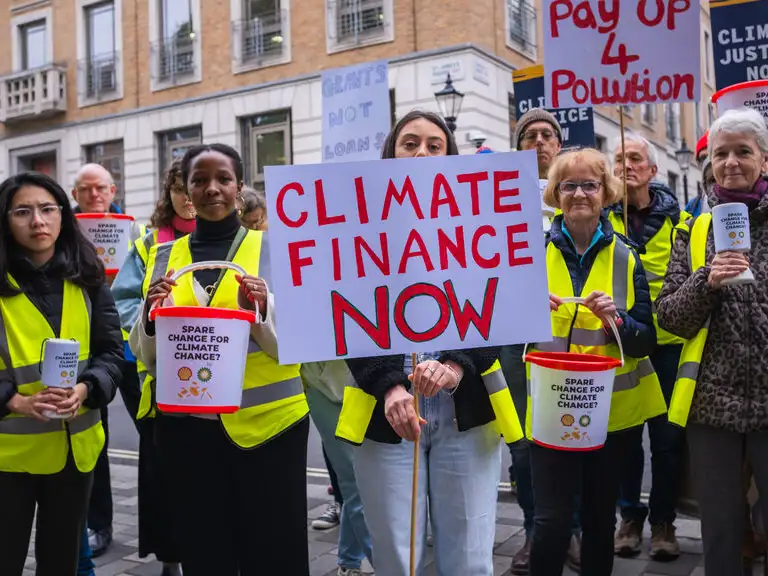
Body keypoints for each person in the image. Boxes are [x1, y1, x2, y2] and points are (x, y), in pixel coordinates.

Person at [335, 110, 522, 576]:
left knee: (471, 552)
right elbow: (344, 317)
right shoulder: (353, 227)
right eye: (410, 143)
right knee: (399, 555)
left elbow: (499, 308)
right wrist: (390, 385)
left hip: (467, 410)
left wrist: (457, 365)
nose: (422, 154)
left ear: (451, 157)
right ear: (390, 154)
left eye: (435, 146)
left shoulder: (486, 221)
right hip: (386, 412)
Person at [130, 143, 310, 575]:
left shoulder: (276, 250)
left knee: (274, 553)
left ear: (240, 186)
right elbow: (148, 355)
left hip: (271, 430)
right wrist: (150, 321)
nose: (212, 188)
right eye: (199, 180)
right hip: (188, 436)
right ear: (186, 192)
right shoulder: (160, 258)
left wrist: (264, 311)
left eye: (223, 179)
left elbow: (298, 348)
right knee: (204, 551)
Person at [528, 148, 666, 576]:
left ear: (606, 192)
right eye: (568, 185)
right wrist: (529, 308)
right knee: (550, 522)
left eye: (590, 184)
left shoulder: (626, 255)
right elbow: (501, 327)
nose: (580, 193)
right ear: (556, 193)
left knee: (598, 520)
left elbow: (645, 339)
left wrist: (619, 322)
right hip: (550, 410)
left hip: (610, 416)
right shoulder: (529, 253)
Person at [656, 107, 768, 575]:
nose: (731, 162)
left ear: (764, 160)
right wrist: (707, 280)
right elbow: (669, 317)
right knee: (719, 529)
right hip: (712, 404)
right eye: (721, 153)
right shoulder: (695, 227)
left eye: (743, 151)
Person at [0, 172, 123, 575]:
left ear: (62, 217)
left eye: (47, 210)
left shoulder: (88, 276)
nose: (38, 221)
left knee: (61, 564)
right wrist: (14, 400)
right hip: (8, 459)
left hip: (75, 455)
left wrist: (88, 388)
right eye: (23, 211)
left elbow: (110, 353)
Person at [111, 160, 195, 576]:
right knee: (165, 478)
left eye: (196, 186)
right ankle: (171, 559)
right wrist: (148, 319)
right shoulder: (150, 246)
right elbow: (122, 301)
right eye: (182, 188)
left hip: (222, 382)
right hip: (160, 383)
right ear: (171, 193)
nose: (191, 197)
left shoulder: (238, 239)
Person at [506, 109, 581, 574]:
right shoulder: (500, 196)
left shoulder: (577, 192)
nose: (539, 141)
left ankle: (567, 531)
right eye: (529, 135)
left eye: (547, 134)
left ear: (559, 144)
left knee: (562, 434)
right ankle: (536, 532)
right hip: (511, 332)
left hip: (560, 331)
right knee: (521, 441)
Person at [607, 133, 688, 560]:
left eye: (635, 158)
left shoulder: (682, 221)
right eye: (619, 158)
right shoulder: (602, 218)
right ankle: (629, 517)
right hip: (621, 341)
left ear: (653, 172)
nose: (626, 164)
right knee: (623, 436)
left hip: (669, 345)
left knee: (667, 439)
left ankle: (663, 522)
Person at [72, 162, 146, 557]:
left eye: (100, 188)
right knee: (92, 443)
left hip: (131, 351)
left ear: (113, 190)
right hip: (89, 350)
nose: (94, 195)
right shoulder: (64, 233)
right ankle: (98, 524)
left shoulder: (136, 231)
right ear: (75, 194)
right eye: (86, 189)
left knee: (151, 435)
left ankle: (159, 524)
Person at [303, 360, 373, 575]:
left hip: (364, 373)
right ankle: (387, 565)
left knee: (361, 482)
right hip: (321, 382)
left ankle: (349, 561)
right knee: (356, 483)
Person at [686, 132, 712, 218]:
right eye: (703, 158)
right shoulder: (692, 207)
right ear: (698, 163)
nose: (707, 162)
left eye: (712, 155)